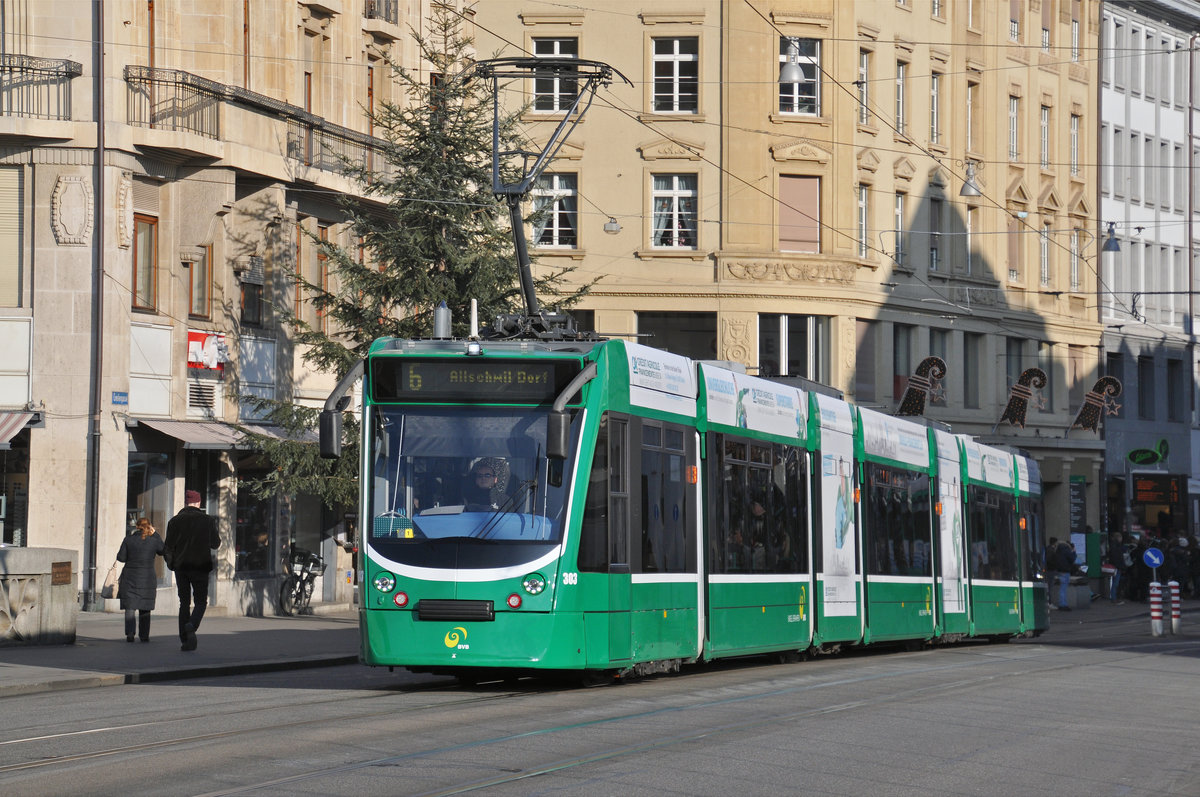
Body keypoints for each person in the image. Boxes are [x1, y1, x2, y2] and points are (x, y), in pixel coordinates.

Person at [164, 489, 219, 652]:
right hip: (200, 566)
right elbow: (215, 544)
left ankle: (184, 639)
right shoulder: (207, 520)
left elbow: (168, 547)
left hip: (181, 567)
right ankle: (192, 625)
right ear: (199, 503)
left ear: (185, 503)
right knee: (201, 601)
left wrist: (172, 564)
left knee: (184, 603)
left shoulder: (174, 521)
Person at [117, 517, 165, 642]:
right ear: (149, 526)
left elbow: (121, 558)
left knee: (130, 606)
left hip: (130, 577)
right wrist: (156, 534)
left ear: (137, 526)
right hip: (147, 578)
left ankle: (130, 634)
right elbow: (163, 550)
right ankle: (144, 635)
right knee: (145, 607)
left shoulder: (128, 540)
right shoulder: (153, 541)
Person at [1106, 531, 1127, 604]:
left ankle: (1114, 598)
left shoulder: (1113, 545)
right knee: (1115, 584)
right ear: (1118, 538)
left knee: (1115, 583)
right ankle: (1114, 598)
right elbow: (1118, 558)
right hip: (1117, 567)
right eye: (1121, 537)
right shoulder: (1117, 546)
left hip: (1115, 566)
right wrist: (1122, 566)